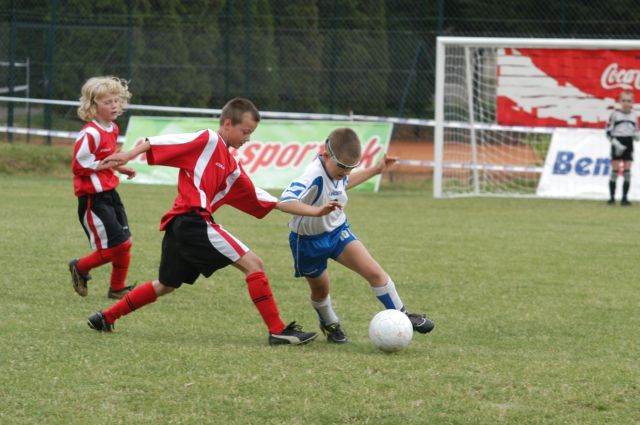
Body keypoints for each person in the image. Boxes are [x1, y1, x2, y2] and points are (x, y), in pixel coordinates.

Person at [88, 97, 341, 345]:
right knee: (254, 264)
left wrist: (316, 211)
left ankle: (106, 317)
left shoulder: (232, 167)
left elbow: (270, 200)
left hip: (181, 225)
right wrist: (128, 154)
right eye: (245, 131)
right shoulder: (208, 139)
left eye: (251, 133)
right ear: (227, 124)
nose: (247, 138)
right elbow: (157, 142)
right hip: (193, 221)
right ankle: (277, 331)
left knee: (166, 285)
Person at [277, 128, 435, 344]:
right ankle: (330, 323)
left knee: (376, 273)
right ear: (325, 155)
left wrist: (376, 169)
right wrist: (317, 211)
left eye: (350, 169)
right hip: (307, 242)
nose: (345, 174)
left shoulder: (337, 170)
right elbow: (284, 202)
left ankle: (403, 316)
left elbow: (344, 182)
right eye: (342, 169)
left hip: (337, 232)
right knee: (321, 290)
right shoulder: (313, 175)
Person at [69, 76, 137, 300]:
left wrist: (120, 167)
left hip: (110, 194)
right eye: (108, 102)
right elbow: (79, 165)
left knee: (125, 243)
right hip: (93, 199)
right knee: (115, 247)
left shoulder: (113, 128)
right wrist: (109, 164)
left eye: (117, 101)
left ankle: (117, 288)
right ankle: (80, 267)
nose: (115, 105)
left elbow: (105, 158)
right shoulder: (90, 133)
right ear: (93, 106)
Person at [606, 89, 639, 206]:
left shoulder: (634, 115)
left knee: (627, 171)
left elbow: (635, 130)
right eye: (624, 100)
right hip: (617, 141)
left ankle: (624, 198)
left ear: (632, 102)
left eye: (629, 101)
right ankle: (612, 198)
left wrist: (636, 135)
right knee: (614, 171)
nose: (626, 103)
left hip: (629, 142)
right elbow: (608, 132)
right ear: (620, 101)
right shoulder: (615, 114)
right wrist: (616, 144)